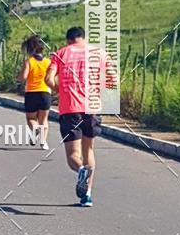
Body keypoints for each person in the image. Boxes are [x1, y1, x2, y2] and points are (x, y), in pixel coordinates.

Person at [45, 27, 115, 207]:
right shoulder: (99, 53)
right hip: (92, 108)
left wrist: (60, 90)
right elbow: (113, 79)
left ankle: (81, 170)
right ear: (83, 38)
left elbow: (48, 79)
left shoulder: (60, 54)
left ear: (68, 40)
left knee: (73, 155)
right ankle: (87, 196)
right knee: (89, 150)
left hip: (70, 108)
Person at [19, 35, 51, 150]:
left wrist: (20, 79)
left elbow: (23, 77)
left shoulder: (29, 62)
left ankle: (35, 129)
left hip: (31, 92)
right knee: (44, 119)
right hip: (45, 92)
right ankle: (43, 143)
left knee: (31, 119)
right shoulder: (48, 62)